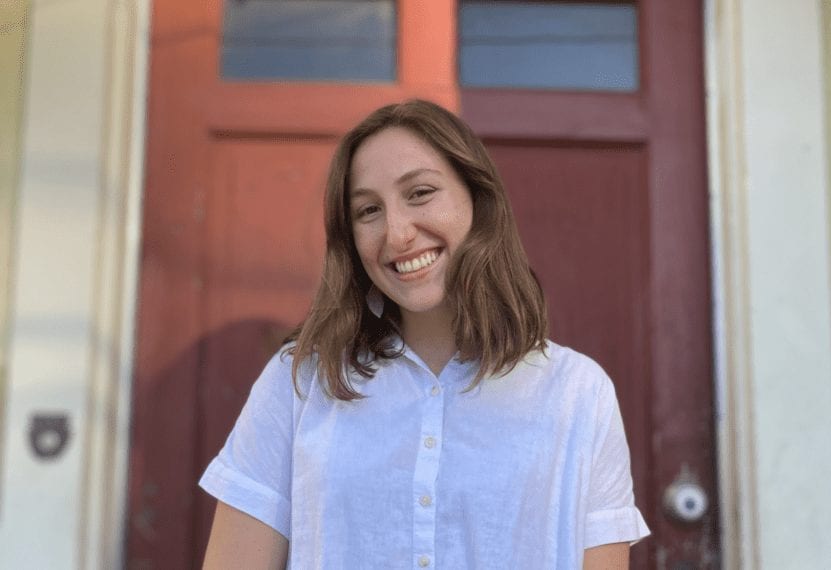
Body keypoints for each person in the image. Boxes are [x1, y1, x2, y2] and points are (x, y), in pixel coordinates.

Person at [199, 99, 650, 569]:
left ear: (477, 196)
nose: (396, 234)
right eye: (369, 210)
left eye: (419, 193)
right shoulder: (300, 381)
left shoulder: (579, 394)